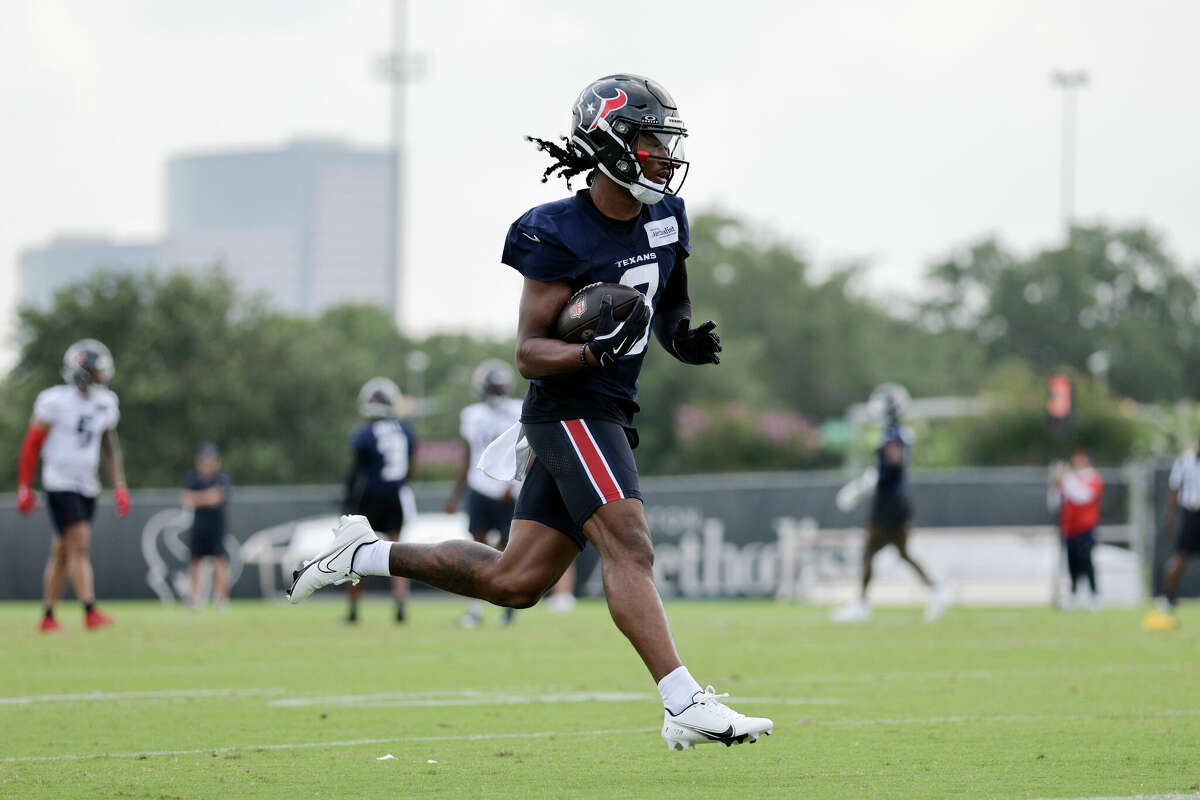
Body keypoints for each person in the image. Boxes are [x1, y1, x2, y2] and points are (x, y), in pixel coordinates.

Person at [290, 74, 772, 750]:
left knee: (515, 582)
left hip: (609, 410)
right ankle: (682, 699)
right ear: (609, 144)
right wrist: (590, 358)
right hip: (568, 410)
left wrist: (681, 337)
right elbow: (530, 352)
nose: (663, 153)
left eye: (666, 140)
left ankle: (364, 553)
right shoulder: (556, 232)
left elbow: (669, 301)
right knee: (629, 543)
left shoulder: (667, 214)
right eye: (649, 139)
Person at [16, 339, 129, 632]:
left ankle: (48, 615)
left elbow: (109, 447)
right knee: (79, 545)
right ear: (83, 373)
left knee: (62, 551)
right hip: (61, 482)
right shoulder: (55, 401)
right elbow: (31, 445)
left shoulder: (105, 402)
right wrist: (24, 485)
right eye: (97, 372)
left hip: (87, 484)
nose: (102, 377)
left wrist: (119, 485)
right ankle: (90, 611)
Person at [833, 395, 950, 623]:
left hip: (889, 503)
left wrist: (869, 481)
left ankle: (861, 605)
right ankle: (937, 592)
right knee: (901, 552)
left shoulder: (893, 434)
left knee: (869, 551)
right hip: (895, 500)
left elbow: (893, 464)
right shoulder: (901, 432)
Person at [444, 360, 524, 628]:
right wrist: (457, 493)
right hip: (479, 486)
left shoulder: (518, 410)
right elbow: (466, 455)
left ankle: (508, 605)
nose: (497, 391)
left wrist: (513, 485)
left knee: (506, 551)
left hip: (507, 488)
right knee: (476, 551)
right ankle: (475, 607)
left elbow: (525, 450)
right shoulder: (472, 414)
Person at [341, 377, 417, 624]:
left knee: (358, 551)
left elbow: (357, 471)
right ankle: (400, 603)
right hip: (396, 494)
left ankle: (353, 611)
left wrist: (348, 500)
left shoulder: (364, 433)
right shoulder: (404, 430)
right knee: (397, 551)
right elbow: (411, 464)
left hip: (371, 494)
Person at [1049, 448, 1103, 610]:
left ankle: (1094, 596)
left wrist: (1066, 479)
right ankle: (1073, 596)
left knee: (1086, 562)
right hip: (1069, 528)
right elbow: (1054, 502)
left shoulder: (1093, 477)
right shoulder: (1070, 479)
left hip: (1085, 527)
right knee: (1072, 564)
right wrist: (1056, 482)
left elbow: (1083, 497)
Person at [182, 442, 232, 609]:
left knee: (219, 562)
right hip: (198, 527)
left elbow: (217, 498)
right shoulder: (193, 478)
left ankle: (221, 599)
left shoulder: (222, 478)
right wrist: (207, 497)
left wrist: (199, 498)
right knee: (195, 562)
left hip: (216, 527)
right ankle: (194, 599)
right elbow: (187, 499)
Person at [1158, 434, 1200, 614]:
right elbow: (1174, 490)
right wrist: (1169, 517)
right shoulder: (1184, 461)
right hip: (1191, 513)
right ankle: (1167, 597)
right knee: (1180, 557)